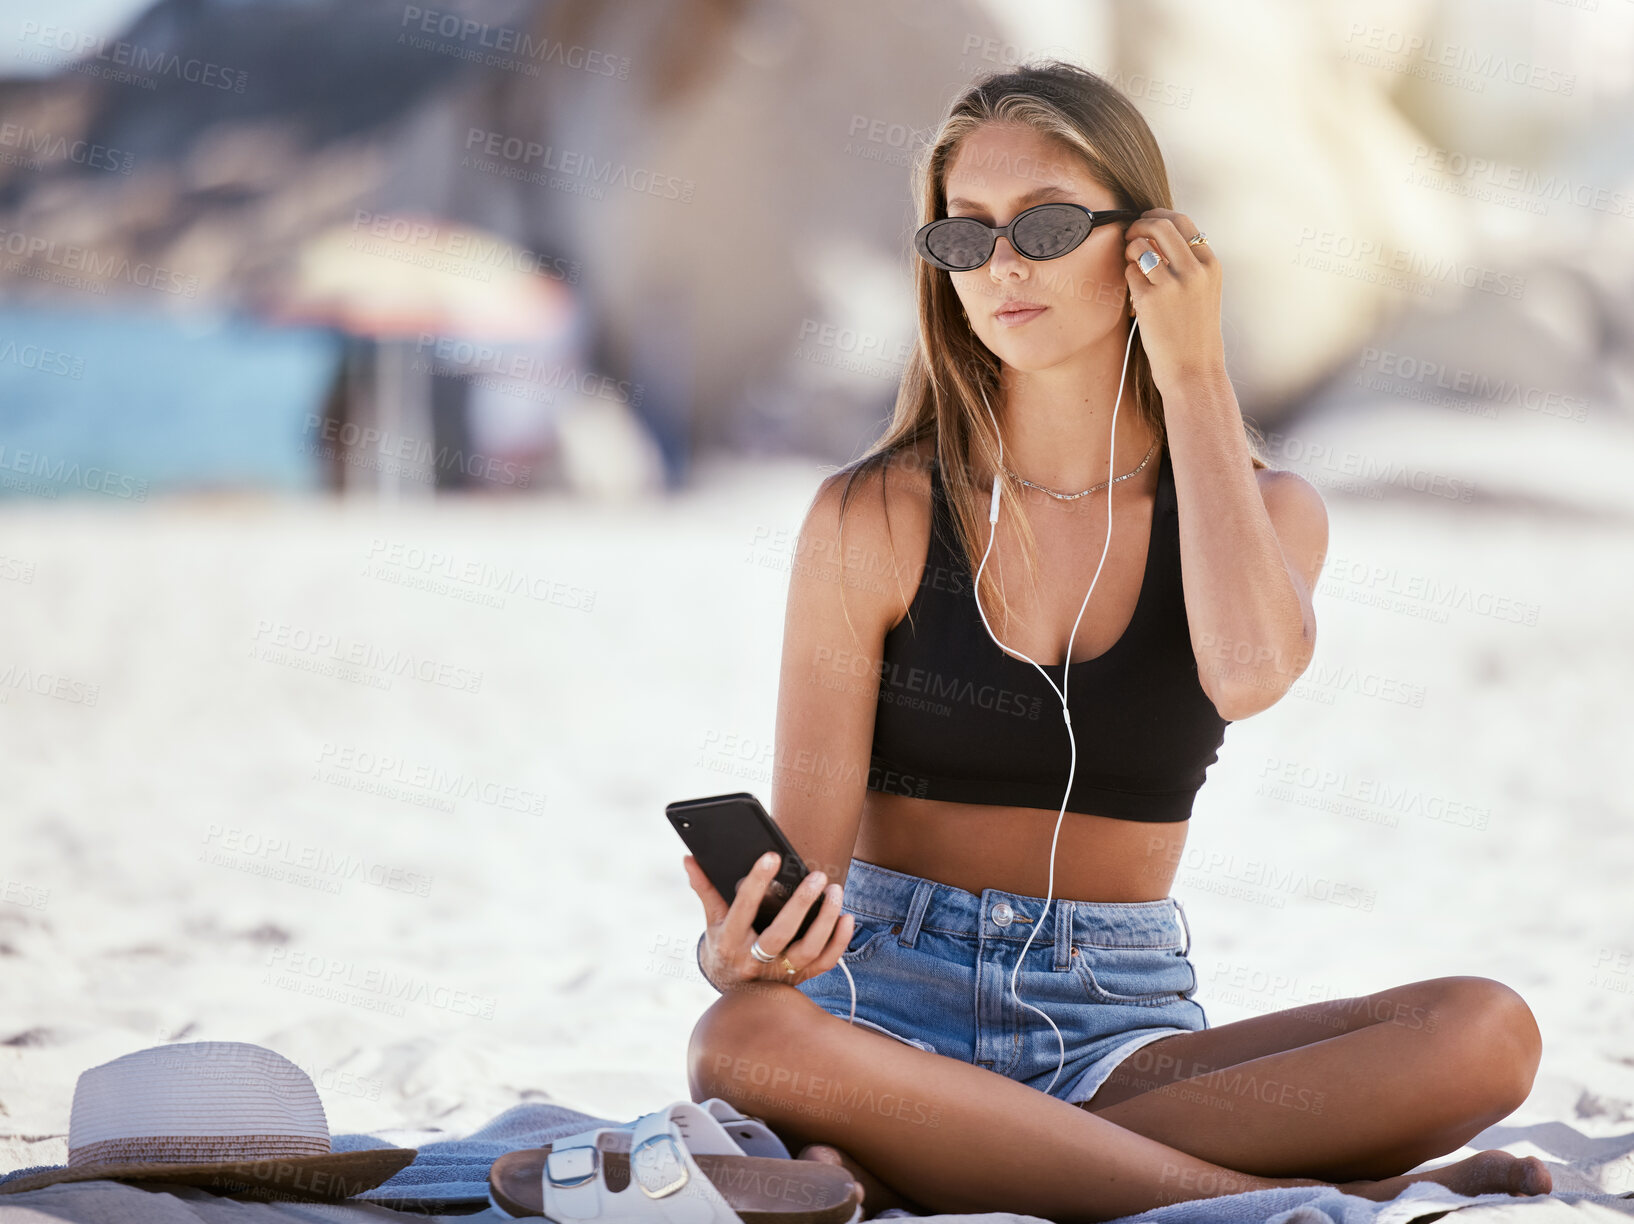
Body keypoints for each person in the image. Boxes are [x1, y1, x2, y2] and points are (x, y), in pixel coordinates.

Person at [682, 60, 1548, 1221]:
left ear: (1149, 245)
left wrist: (1190, 365)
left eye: (1043, 226)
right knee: (738, 1039)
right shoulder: (874, 514)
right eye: (963, 237)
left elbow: (1245, 677)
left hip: (1111, 1028)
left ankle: (927, 1162)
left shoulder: (1265, 514)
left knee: (1483, 1032)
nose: (1001, 267)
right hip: (881, 1016)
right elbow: (809, 881)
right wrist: (747, 952)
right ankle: (1284, 1196)